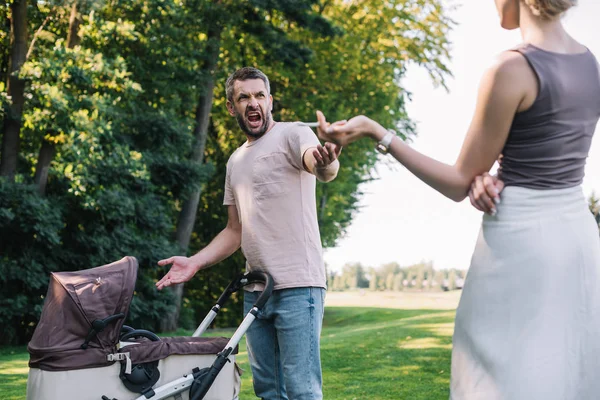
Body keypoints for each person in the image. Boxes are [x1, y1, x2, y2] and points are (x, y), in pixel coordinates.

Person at [315, 0, 600, 398]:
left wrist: (377, 132)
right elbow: (543, 159)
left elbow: (456, 183)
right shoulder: (590, 64)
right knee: (565, 371)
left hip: (521, 245)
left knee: (500, 377)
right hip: (579, 242)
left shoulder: (509, 68)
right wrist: (491, 176)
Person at [156, 67, 341, 400]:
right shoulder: (234, 162)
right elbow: (234, 230)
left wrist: (327, 163)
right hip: (255, 292)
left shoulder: (294, 133)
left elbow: (321, 166)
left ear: (270, 101)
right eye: (244, 97)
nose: (253, 103)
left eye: (259, 95)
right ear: (231, 107)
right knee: (268, 391)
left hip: (298, 286)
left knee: (302, 391)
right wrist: (195, 262)